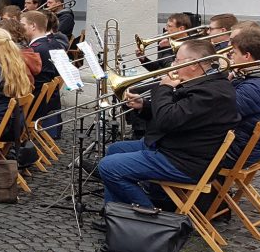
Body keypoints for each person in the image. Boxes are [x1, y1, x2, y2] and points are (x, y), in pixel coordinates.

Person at [96, 40, 238, 215]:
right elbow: (178, 115)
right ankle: (116, 215)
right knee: (115, 150)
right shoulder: (203, 83)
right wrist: (145, 106)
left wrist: (163, 88)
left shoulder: (211, 92)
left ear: (194, 64)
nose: (173, 65)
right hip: (176, 146)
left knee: (108, 167)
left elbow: (168, 119)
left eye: (178, 60)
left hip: (184, 161)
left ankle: (149, 217)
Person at [225, 31, 260, 164]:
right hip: (246, 147)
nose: (231, 56)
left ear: (247, 56)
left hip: (234, 152)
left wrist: (223, 82)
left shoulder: (254, 88)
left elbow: (221, 114)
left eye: (234, 53)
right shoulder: (255, 77)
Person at [21, 10, 62, 138]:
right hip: (46, 101)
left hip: (35, 102)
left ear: (33, 26)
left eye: (23, 25)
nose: (20, 29)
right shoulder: (51, 44)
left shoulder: (36, 49)